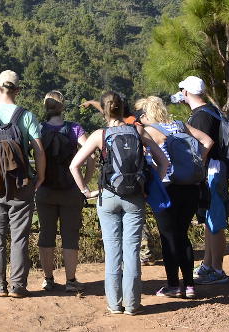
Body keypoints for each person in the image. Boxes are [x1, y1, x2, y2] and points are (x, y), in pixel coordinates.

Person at [69, 92, 169, 315]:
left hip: (108, 196)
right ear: (123, 108)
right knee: (132, 251)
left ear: (104, 111)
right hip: (135, 197)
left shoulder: (99, 135)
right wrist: (151, 188)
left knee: (113, 252)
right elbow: (163, 161)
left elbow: (74, 166)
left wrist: (86, 191)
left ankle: (115, 304)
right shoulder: (137, 130)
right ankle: (132, 305)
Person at [0, 70, 45, 298]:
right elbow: (39, 152)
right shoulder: (27, 116)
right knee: (19, 237)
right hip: (22, 184)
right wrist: (39, 177)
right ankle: (18, 287)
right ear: (18, 91)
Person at [138, 96, 214, 298]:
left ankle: (173, 285)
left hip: (167, 188)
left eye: (142, 114)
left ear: (147, 114)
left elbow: (149, 161)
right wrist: (197, 163)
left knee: (168, 237)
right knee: (182, 235)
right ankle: (189, 286)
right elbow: (207, 140)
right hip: (190, 186)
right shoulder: (180, 125)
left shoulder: (150, 131)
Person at [35, 91, 92, 293]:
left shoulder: (39, 128)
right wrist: (84, 181)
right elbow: (90, 154)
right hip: (70, 190)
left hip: (45, 189)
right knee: (70, 235)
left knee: (46, 234)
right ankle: (70, 280)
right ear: (63, 106)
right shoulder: (74, 128)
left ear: (45, 107)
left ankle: (48, 279)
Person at [177, 75, 229, 285]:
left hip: (211, 173)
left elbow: (202, 147)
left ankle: (217, 270)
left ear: (186, 93)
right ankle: (208, 265)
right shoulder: (211, 112)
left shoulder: (200, 117)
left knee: (215, 222)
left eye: (182, 91)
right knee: (210, 220)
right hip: (214, 171)